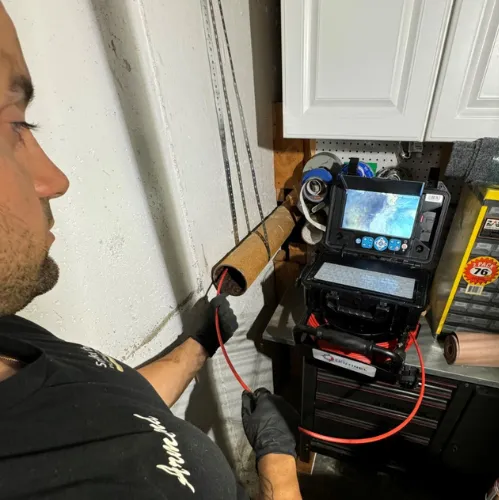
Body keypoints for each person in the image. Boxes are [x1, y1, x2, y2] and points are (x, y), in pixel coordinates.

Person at [0, 3, 302, 499]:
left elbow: (114, 410)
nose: (56, 180)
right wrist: (280, 465)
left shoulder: (10, 333)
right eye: (16, 125)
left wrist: (197, 348)